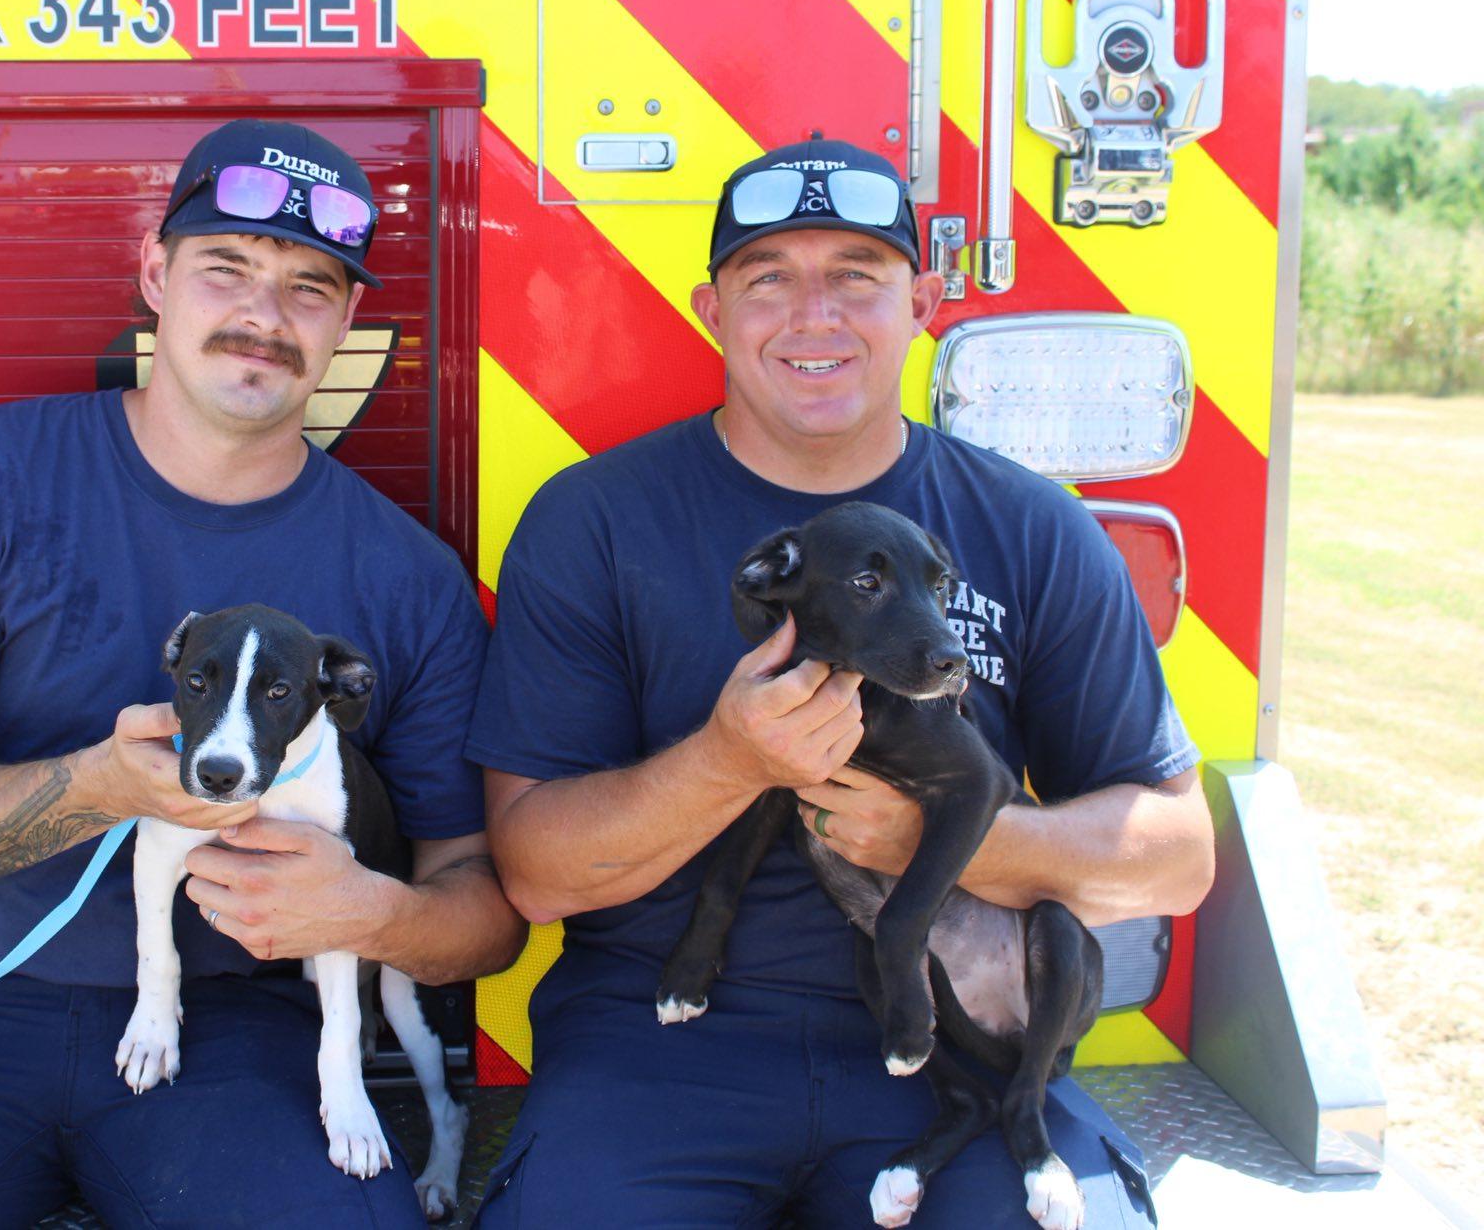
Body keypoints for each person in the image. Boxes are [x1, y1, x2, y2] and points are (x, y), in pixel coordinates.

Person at [0, 119, 525, 1229]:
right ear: (153, 272)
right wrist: (102, 784)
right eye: (225, 265)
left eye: (309, 286)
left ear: (345, 320)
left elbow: (484, 914)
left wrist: (369, 910)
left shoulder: (407, 576)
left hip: (241, 1031)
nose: (263, 315)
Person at [465, 138, 1212, 1227]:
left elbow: (1177, 855)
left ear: (921, 301)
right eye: (767, 278)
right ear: (710, 311)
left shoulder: (1033, 528)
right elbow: (534, 873)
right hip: (658, 1051)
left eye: (856, 276)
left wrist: (949, 837)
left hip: (957, 1046)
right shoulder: (595, 520)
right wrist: (728, 761)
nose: (813, 315)